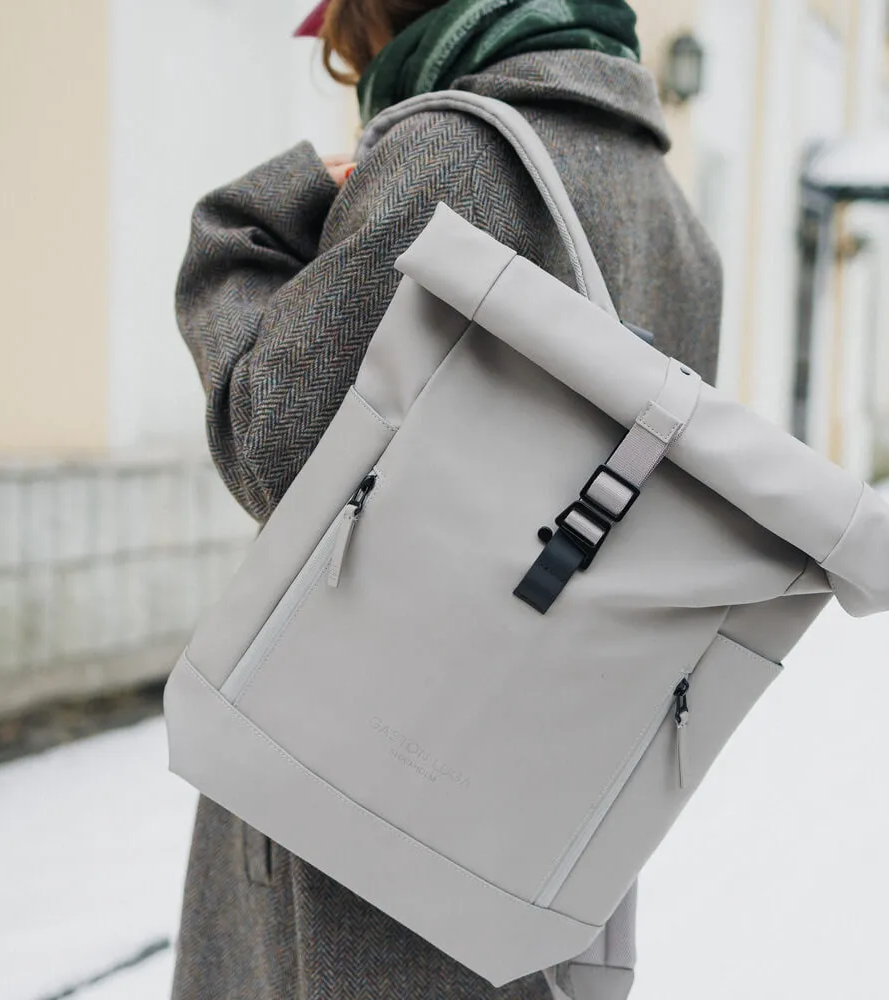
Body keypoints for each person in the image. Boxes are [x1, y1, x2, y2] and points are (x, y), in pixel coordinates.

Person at [171, 1, 722, 998]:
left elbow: (278, 445)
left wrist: (252, 230)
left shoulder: (448, 156)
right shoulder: (676, 223)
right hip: (528, 824)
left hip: (359, 801)